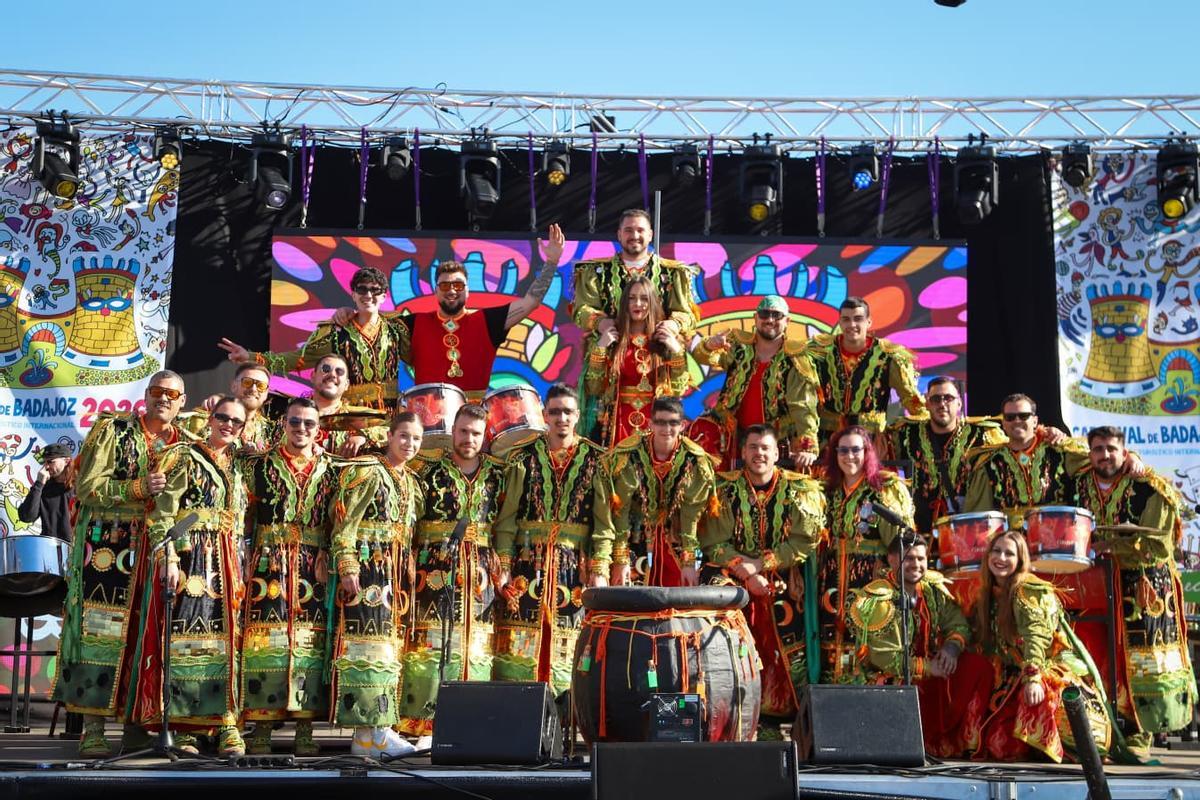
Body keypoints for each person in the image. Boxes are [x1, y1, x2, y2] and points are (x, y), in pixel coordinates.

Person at [52, 370, 189, 757]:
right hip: (108, 544)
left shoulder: (184, 442)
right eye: (157, 392)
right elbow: (86, 487)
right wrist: (138, 488)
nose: (164, 399)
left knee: (145, 636)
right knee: (99, 631)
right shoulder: (114, 431)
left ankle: (137, 727)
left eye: (172, 394)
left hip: (156, 547)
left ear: (182, 401)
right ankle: (92, 728)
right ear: (146, 396)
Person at [126, 396, 248, 755]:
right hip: (192, 555)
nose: (228, 425)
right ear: (209, 419)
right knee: (186, 639)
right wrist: (169, 559)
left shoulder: (241, 463)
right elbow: (163, 513)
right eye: (223, 417)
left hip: (227, 558)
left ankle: (226, 723)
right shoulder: (184, 456)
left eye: (237, 422)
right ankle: (184, 727)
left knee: (227, 639)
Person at [1073, 426, 1196, 751]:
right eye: (1098, 449)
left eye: (1112, 448)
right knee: (1100, 652)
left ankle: (1143, 732)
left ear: (1125, 451)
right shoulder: (1079, 482)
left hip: (1144, 587)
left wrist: (1113, 545)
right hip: (1098, 583)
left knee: (1144, 659)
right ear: (1090, 452)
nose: (1105, 455)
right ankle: (1103, 729)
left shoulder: (1150, 486)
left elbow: (1158, 545)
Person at [700, 425, 823, 738]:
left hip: (782, 575)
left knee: (788, 651)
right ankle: (729, 721)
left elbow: (805, 541)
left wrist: (763, 565)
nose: (759, 454)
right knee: (727, 644)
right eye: (753, 447)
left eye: (766, 448)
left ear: (777, 453)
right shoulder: (724, 489)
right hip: (735, 576)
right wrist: (747, 571)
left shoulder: (800, 489)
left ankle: (781, 723)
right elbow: (713, 543)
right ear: (743, 452)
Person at [492, 384, 610, 693]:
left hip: (574, 567)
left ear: (577, 416)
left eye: (567, 412)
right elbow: (507, 520)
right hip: (527, 563)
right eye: (555, 412)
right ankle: (517, 712)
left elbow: (604, 524)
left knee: (567, 643)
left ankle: (563, 714)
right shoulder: (523, 457)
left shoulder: (597, 460)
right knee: (521, 642)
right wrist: (504, 563)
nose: (561, 418)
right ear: (545, 415)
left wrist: (599, 569)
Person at [400, 404, 506, 741]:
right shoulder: (427, 469)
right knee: (430, 642)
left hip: (481, 570)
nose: (469, 439)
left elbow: (505, 524)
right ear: (452, 431)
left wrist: (502, 565)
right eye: (463, 431)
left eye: (476, 433)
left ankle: (469, 722)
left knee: (476, 646)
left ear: (485, 434)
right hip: (435, 566)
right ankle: (422, 722)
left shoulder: (498, 473)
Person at [240, 397, 340, 755]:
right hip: (270, 560)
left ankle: (305, 727)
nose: (301, 429)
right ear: (283, 423)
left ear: (319, 428)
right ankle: (263, 726)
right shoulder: (260, 464)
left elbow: (336, 519)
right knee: (265, 641)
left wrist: (328, 553)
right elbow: (246, 515)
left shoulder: (332, 468)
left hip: (314, 563)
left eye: (309, 424)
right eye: (295, 422)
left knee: (310, 643)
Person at [972, 529, 1121, 763]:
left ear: (1020, 560)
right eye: (996, 551)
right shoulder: (988, 595)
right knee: (996, 745)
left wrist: (1033, 678)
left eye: (1009, 554)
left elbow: (1036, 638)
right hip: (1015, 672)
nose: (1000, 558)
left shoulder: (1028, 590)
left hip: (1044, 667)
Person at [329, 412, 425, 758]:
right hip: (368, 569)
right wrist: (347, 563)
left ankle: (367, 738)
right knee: (367, 649)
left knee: (386, 649)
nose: (410, 445)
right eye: (403, 436)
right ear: (389, 435)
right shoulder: (368, 470)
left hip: (394, 573)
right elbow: (345, 522)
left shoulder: (411, 481)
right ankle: (377, 730)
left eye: (416, 439)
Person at [848, 533, 993, 757]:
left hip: (928, 671)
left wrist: (951, 648)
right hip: (889, 679)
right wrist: (927, 668)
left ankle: (965, 745)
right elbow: (884, 658)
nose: (916, 564)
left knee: (978, 666)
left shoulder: (930, 590)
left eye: (921, 559)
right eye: (909, 559)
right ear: (892, 559)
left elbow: (957, 623)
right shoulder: (879, 599)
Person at [573, 210, 697, 434]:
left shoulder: (673, 272)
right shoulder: (596, 271)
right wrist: (601, 324)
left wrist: (673, 325)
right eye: (628, 230)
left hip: (658, 352)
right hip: (611, 351)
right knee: (599, 427)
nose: (635, 235)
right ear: (619, 235)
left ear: (650, 235)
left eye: (640, 230)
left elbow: (687, 313)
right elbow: (582, 309)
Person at [220, 267, 409, 410]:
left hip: (389, 417)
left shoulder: (396, 329)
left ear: (384, 296)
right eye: (362, 289)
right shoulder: (335, 331)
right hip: (348, 417)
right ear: (353, 294)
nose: (368, 295)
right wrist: (250, 357)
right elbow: (297, 359)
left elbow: (418, 357)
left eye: (375, 290)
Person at [817, 425, 914, 683]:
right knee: (832, 639)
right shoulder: (829, 490)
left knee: (865, 637)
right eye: (843, 450)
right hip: (832, 578)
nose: (850, 456)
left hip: (869, 578)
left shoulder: (883, 488)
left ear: (867, 452)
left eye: (856, 450)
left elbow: (899, 541)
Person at [597, 397, 717, 588]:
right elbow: (621, 508)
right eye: (660, 422)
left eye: (673, 422)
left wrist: (689, 562)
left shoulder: (696, 460)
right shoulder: (628, 454)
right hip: (635, 537)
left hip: (677, 539)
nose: (666, 428)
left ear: (683, 425)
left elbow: (691, 514)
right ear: (650, 423)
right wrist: (620, 558)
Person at [691, 295, 820, 469]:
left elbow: (803, 406)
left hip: (775, 441)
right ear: (756, 318)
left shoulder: (794, 358)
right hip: (734, 438)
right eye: (764, 314)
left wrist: (808, 447)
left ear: (787, 320)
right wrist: (709, 346)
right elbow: (702, 357)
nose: (770, 320)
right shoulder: (739, 347)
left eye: (777, 315)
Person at [883, 376, 1005, 534]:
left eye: (948, 398)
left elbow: (1016, 447)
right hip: (921, 533)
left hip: (969, 532)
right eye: (935, 399)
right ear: (927, 404)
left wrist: (1045, 435)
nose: (942, 404)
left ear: (959, 403)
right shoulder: (906, 432)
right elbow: (874, 449)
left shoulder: (983, 433)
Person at [582, 276, 689, 447]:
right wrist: (601, 347)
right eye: (631, 298)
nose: (637, 304)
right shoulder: (611, 339)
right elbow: (594, 386)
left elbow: (679, 388)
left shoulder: (664, 339)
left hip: (656, 419)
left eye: (644, 299)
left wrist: (676, 349)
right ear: (624, 303)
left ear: (652, 302)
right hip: (618, 420)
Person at [803, 296, 925, 445]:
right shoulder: (820, 352)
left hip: (871, 441)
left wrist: (926, 425)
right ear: (840, 322)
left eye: (858, 319)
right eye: (846, 319)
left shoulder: (887, 356)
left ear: (869, 322)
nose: (852, 324)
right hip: (828, 442)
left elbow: (910, 398)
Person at [964, 393, 1088, 529]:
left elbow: (1096, 459)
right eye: (1010, 417)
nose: (1017, 421)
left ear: (1035, 421)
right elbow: (980, 515)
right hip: (1012, 542)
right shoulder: (989, 462)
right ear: (1003, 423)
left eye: (1023, 416)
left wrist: (1063, 439)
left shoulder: (1059, 451)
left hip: (1055, 538)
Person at [180, 362, 280, 453]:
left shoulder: (269, 431)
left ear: (266, 393)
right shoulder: (204, 420)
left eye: (261, 386)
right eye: (247, 382)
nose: (254, 389)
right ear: (233, 385)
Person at [309, 354, 388, 457]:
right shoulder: (290, 412)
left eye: (339, 372)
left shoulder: (363, 416)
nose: (332, 374)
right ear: (313, 376)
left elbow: (395, 430)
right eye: (326, 369)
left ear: (346, 385)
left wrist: (364, 436)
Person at [17, 442, 75, 541]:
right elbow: (26, 517)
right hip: (49, 549)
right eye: (45, 462)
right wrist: (39, 484)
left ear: (66, 461)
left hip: (77, 550)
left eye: (50, 462)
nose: (46, 466)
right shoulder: (43, 487)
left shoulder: (80, 486)